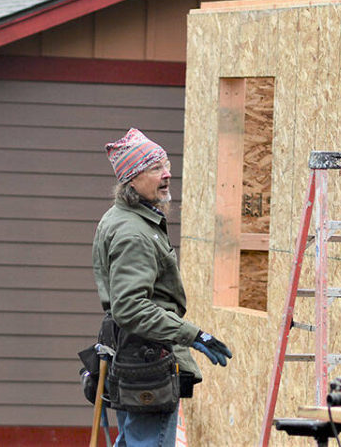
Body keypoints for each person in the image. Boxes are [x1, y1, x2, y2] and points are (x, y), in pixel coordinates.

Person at [92, 128, 233, 446]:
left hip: (133, 354)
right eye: (155, 168)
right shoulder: (134, 234)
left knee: (133, 441)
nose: (167, 174)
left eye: (166, 164)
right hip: (146, 359)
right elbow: (131, 307)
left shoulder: (123, 218)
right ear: (132, 178)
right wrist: (194, 335)